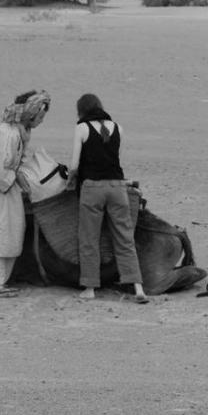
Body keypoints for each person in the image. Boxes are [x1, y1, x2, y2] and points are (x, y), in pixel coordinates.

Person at [65, 93, 149, 303]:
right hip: (117, 187)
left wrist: (70, 181)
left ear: (81, 110)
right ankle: (137, 286)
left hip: (92, 188)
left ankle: (90, 288)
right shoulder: (118, 127)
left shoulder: (81, 128)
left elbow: (74, 166)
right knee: (124, 237)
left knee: (89, 239)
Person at [0, 89, 51, 297]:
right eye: (41, 116)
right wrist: (14, 179)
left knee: (12, 227)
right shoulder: (7, 133)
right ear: (31, 113)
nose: (41, 121)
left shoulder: (19, 133)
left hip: (5, 186)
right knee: (0, 229)